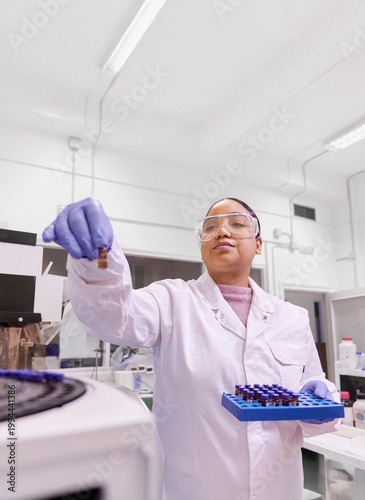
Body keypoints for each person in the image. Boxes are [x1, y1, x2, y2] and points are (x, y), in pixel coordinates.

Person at [43, 197, 341, 500]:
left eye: (237, 224)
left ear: (258, 243)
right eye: (210, 227)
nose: (222, 231)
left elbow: (308, 387)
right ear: (202, 245)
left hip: (278, 489)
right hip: (197, 489)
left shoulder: (293, 317)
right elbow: (112, 317)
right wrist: (98, 260)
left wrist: (320, 396)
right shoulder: (171, 301)